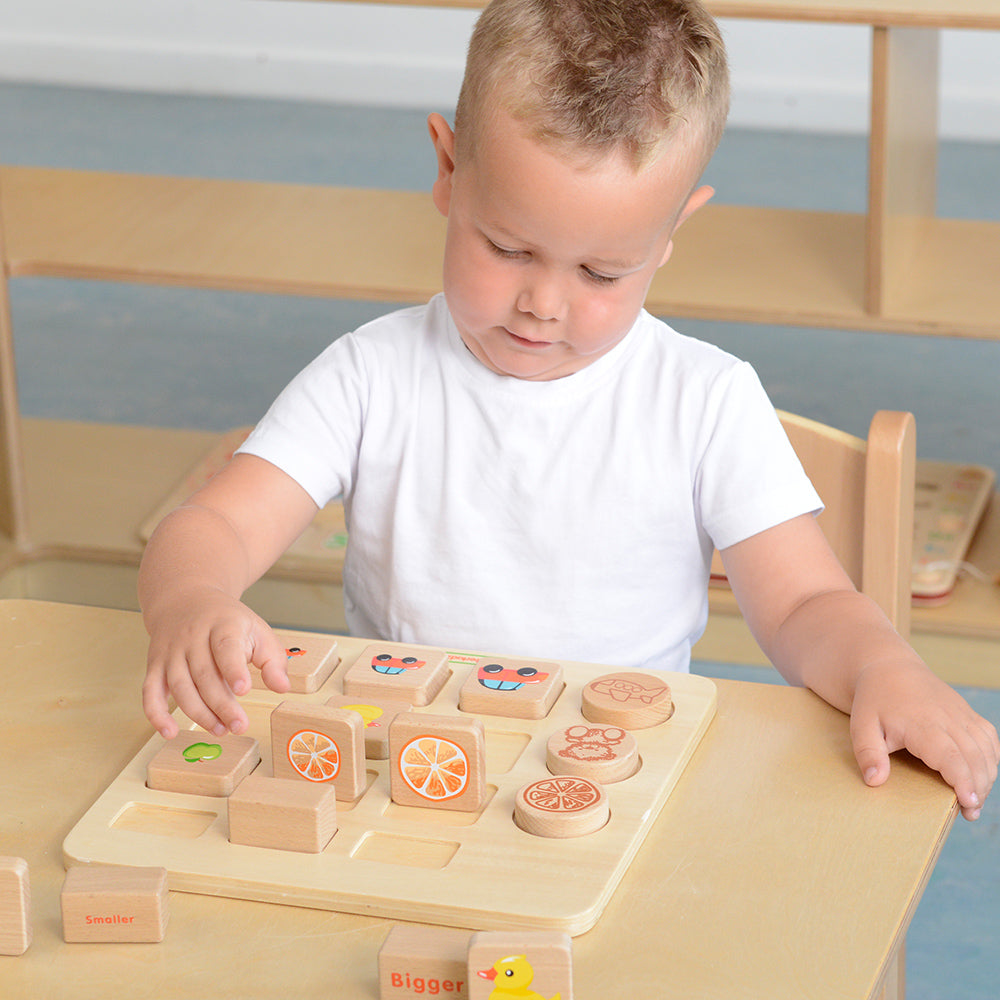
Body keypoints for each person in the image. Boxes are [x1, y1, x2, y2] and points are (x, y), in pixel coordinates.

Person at [138, 0, 998, 820]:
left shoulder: (706, 400)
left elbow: (806, 604)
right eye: (508, 248)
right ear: (447, 170)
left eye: (602, 273)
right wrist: (190, 600)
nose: (543, 304)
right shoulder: (370, 374)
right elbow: (214, 525)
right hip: (408, 766)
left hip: (620, 777)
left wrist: (886, 663)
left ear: (669, 235)